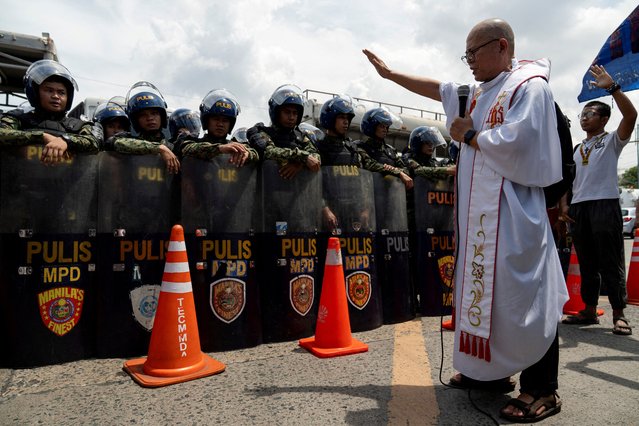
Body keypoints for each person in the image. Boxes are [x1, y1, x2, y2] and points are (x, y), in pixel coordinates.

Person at [365, 18, 568, 422]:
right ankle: (491, 375)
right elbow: (435, 86)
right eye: (467, 54)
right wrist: (389, 75)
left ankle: (542, 388)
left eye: (475, 52)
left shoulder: (529, 87)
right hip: (481, 223)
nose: (469, 61)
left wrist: (471, 136)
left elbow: (524, 143)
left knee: (525, 298)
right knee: (487, 297)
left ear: (502, 46)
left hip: (514, 218)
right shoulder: (474, 93)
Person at [560, 65, 637, 336]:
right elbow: (568, 181)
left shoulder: (613, 141)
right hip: (579, 209)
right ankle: (589, 310)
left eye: (589, 114)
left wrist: (612, 88)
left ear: (603, 119)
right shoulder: (579, 147)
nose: (583, 118)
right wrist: (564, 205)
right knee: (587, 262)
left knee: (610, 260)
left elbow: (631, 114)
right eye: (582, 115)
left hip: (605, 204)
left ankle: (619, 314)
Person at [0, 59, 100, 160]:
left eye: (61, 92)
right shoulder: (18, 118)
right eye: (49, 90)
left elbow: (95, 142)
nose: (56, 96)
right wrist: (40, 136)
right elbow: (2, 133)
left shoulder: (79, 125)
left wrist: (66, 140)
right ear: (35, 93)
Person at [246, 84, 321, 179]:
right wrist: (302, 157)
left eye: (295, 113)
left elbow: (316, 156)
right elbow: (269, 152)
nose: (291, 117)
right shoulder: (264, 133)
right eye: (287, 112)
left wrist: (299, 164)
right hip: (268, 188)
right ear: (276, 113)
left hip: (297, 190)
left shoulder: (301, 137)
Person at [105, 81, 180, 174]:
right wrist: (159, 148)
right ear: (135, 121)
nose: (150, 118)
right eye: (143, 115)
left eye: (154, 113)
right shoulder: (128, 141)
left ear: (162, 117)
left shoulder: (173, 146)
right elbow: (115, 142)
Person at [180, 89, 257, 166]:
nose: (220, 124)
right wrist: (219, 149)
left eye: (225, 120)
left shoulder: (236, 147)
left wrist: (248, 154)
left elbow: (254, 153)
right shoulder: (193, 144)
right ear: (206, 121)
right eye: (216, 119)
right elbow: (187, 149)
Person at [356, 107, 413, 189]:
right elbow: (370, 164)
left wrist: (393, 169)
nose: (385, 130)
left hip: (390, 195)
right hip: (369, 193)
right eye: (382, 126)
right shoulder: (360, 147)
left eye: (386, 127)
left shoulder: (391, 151)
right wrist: (396, 172)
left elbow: (406, 170)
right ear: (372, 127)